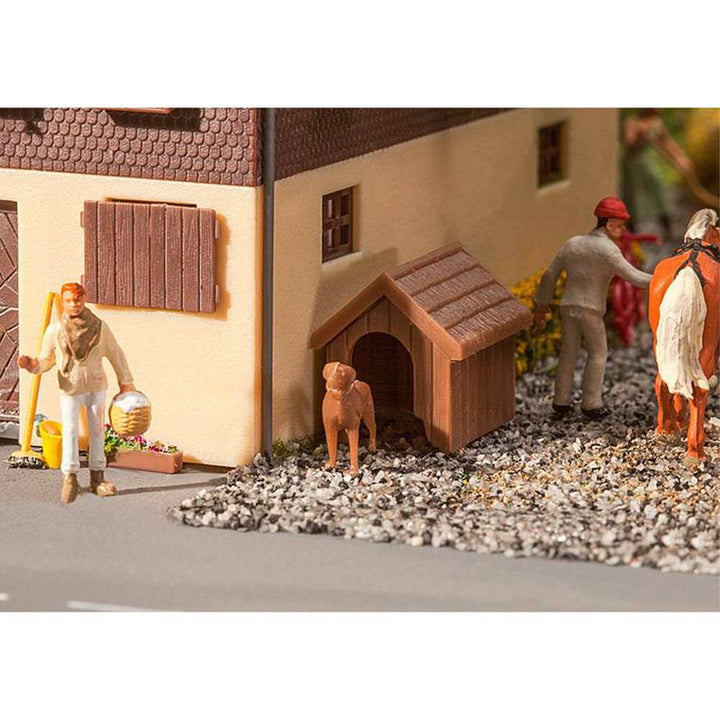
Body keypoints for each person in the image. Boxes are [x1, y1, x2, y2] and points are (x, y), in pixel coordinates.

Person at [533, 197, 652, 420]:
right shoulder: (608, 250)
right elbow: (634, 276)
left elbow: (550, 275)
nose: (623, 230)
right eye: (620, 225)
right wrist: (663, 279)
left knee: (568, 353)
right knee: (598, 353)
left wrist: (541, 304)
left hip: (568, 306)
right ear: (609, 224)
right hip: (591, 309)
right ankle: (591, 403)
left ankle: (561, 401)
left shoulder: (572, 243)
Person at [18, 283, 135, 504]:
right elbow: (46, 359)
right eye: (69, 300)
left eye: (78, 299)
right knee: (70, 430)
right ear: (63, 302)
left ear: (84, 299)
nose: (74, 304)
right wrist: (32, 364)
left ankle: (97, 477)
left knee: (97, 431)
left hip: (95, 386)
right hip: (70, 388)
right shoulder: (55, 330)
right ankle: (70, 478)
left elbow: (115, 353)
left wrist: (125, 381)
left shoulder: (99, 327)